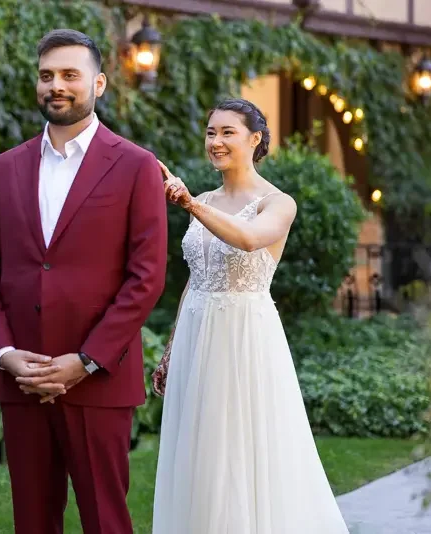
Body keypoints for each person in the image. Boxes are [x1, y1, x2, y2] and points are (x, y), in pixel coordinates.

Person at [0, 28, 168, 534]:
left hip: (97, 380)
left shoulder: (137, 166)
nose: (56, 85)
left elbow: (145, 279)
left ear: (98, 84)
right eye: (46, 75)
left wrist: (85, 360)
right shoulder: (5, 168)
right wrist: (5, 354)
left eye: (69, 75)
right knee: (32, 521)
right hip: (24, 378)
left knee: (106, 520)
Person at [151, 98, 349, 533]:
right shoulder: (203, 197)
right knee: (198, 451)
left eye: (227, 132)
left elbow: (249, 240)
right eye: (210, 132)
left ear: (255, 139)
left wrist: (190, 206)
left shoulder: (278, 202)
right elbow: (196, 277)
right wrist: (170, 347)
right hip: (196, 336)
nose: (215, 141)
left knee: (236, 450)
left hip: (244, 337)